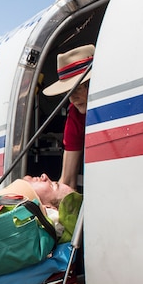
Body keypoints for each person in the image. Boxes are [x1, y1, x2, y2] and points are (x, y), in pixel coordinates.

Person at [42, 44, 95, 190]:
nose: (72, 99)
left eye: (77, 89)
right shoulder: (75, 114)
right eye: (67, 93)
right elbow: (68, 179)